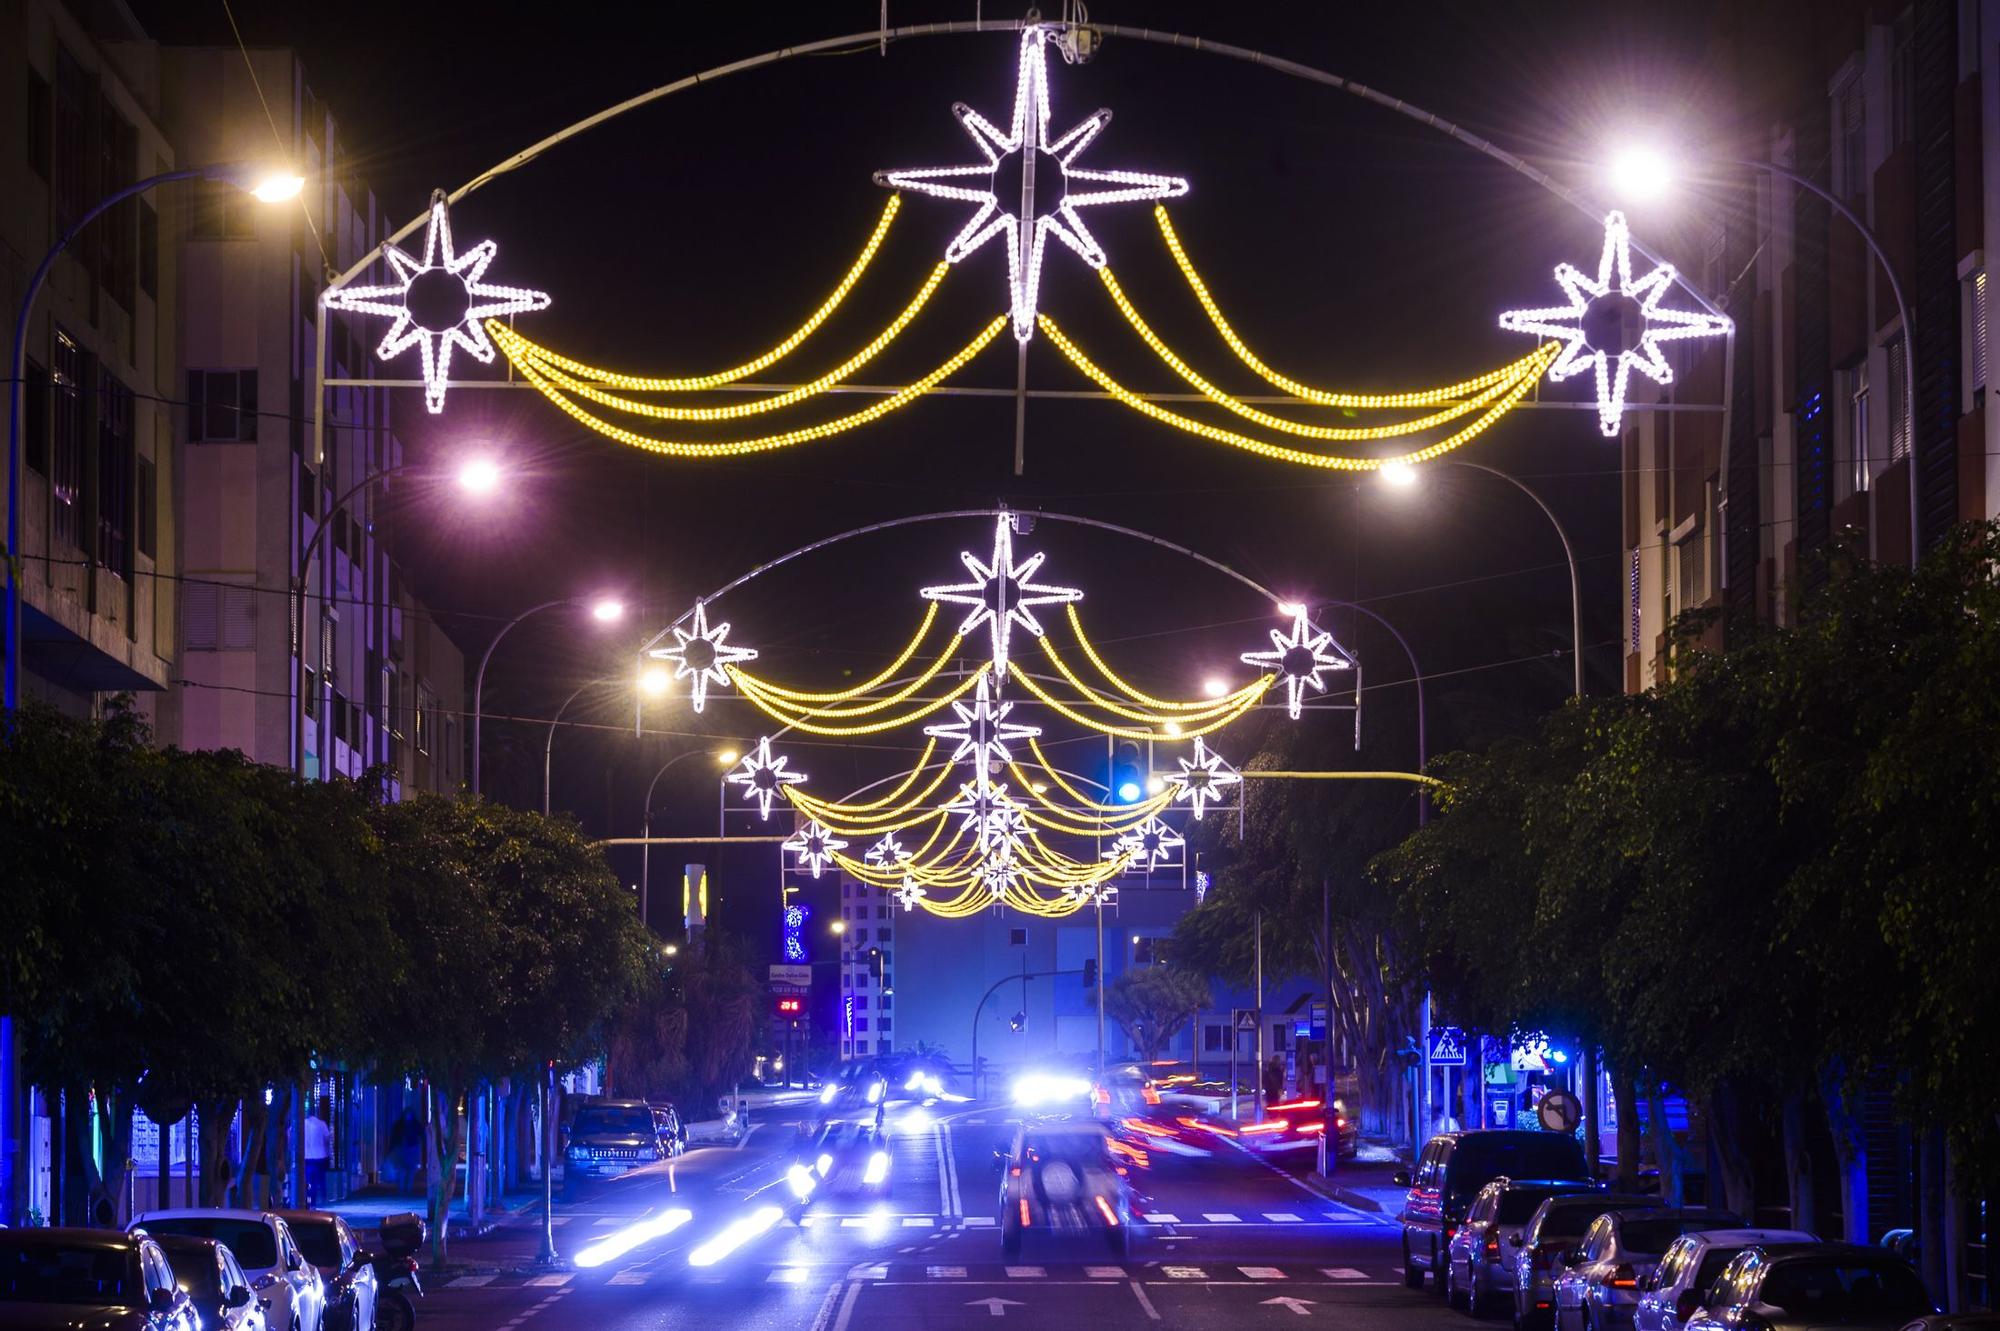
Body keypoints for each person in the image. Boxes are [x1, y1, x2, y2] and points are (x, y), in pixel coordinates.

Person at [302, 1104, 332, 1206]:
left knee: (310, 1180)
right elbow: (328, 1138)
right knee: (321, 1178)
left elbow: (290, 1134)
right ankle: (324, 1198)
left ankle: (311, 1202)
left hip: (307, 1157)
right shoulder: (322, 1124)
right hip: (320, 1156)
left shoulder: (302, 1124)